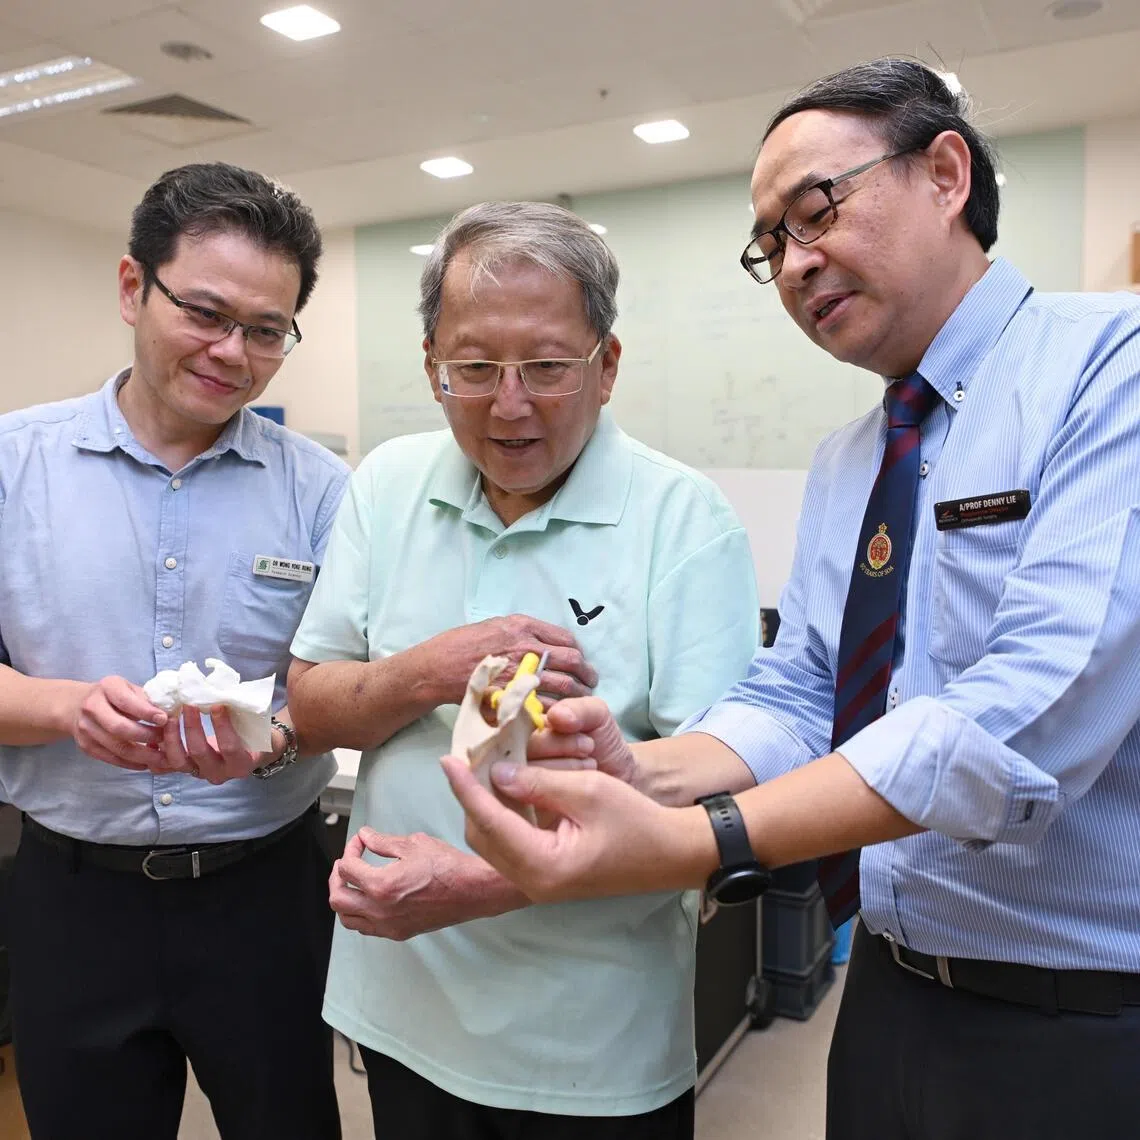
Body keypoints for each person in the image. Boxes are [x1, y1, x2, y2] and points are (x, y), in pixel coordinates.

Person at [444, 58, 1140, 1140]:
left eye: (816, 210)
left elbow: (1026, 719)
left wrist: (700, 840)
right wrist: (644, 773)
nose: (795, 263)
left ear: (946, 172)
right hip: (894, 992)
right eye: (770, 244)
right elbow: (806, 685)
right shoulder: (852, 458)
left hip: (1084, 1024)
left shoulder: (1111, 369)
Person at [287, 201, 759, 1139]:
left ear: (607, 366)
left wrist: (485, 882)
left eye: (547, 366)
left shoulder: (685, 520)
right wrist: (431, 671)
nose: (509, 403)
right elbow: (311, 706)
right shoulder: (385, 485)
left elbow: (720, 797)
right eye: (474, 367)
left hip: (590, 1036)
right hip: (403, 1002)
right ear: (432, 368)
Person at [0, 162, 349, 1139]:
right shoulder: (12, 467)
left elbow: (342, 682)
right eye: (203, 311)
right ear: (130, 289)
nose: (231, 351)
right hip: (73, 901)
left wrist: (275, 735)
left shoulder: (323, 492)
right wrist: (67, 708)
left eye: (267, 330)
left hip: (264, 891)